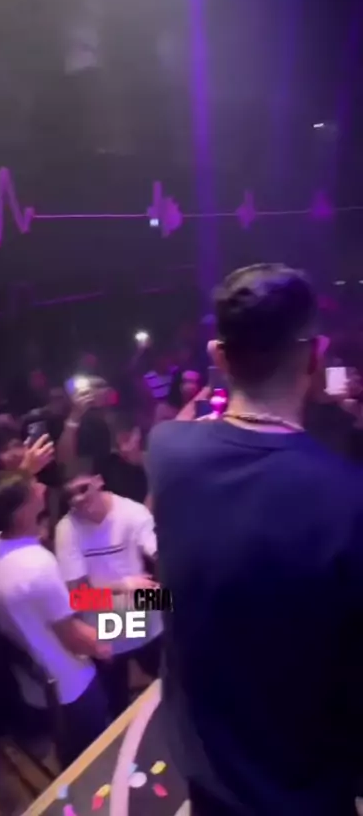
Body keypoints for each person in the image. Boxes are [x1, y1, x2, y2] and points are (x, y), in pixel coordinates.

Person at [147, 263, 363, 816]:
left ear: (218, 358)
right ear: (315, 357)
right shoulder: (348, 501)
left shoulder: (166, 451)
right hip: (305, 796)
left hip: (208, 782)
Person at [0, 470, 110, 766]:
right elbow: (77, 618)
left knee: (153, 604)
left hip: (36, 680)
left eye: (85, 488)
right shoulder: (49, 551)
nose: (40, 486)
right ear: (21, 512)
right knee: (93, 758)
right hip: (72, 683)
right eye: (32, 488)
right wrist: (106, 639)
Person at [55, 458, 161, 718]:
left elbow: (158, 551)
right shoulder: (66, 529)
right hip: (103, 622)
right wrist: (123, 586)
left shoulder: (132, 512)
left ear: (99, 481)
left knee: (172, 683)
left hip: (141, 608)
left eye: (83, 488)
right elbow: (78, 598)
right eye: (71, 495)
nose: (78, 499)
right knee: (117, 706)